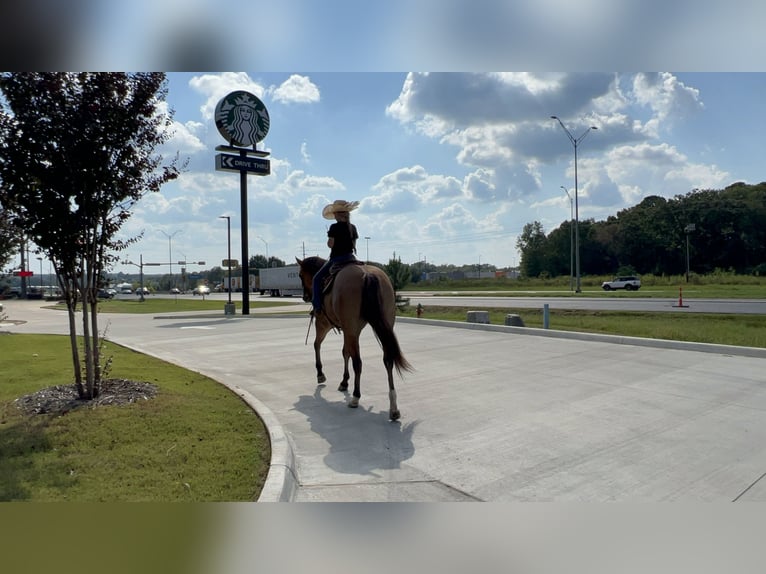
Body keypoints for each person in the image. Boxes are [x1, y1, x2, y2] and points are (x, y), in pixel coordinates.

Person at [312, 199, 360, 314]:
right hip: (351, 259)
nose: (334, 215)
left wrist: (329, 238)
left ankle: (317, 307)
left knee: (316, 279)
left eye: (335, 213)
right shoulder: (352, 227)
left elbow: (330, 245)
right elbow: (353, 245)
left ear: (338, 214)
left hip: (337, 259)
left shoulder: (334, 227)